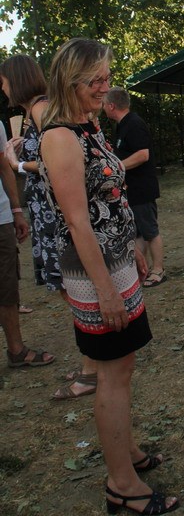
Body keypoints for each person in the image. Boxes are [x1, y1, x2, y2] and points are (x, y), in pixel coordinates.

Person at [39, 38, 178, 515]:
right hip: (94, 272)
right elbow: (78, 223)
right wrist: (105, 290)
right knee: (112, 374)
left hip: (116, 261)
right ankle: (121, 484)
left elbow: (110, 198)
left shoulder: (89, 124)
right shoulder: (60, 136)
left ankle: (128, 453)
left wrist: (132, 248)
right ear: (69, 81)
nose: (104, 87)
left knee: (123, 366)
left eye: (107, 78)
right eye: (94, 80)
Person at [0, 54, 99, 399]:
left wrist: (16, 163)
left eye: (4, 82)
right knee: (71, 290)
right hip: (46, 214)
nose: (3, 88)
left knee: (75, 290)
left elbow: (56, 162)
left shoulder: (42, 109)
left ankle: (92, 370)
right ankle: (91, 363)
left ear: (17, 80)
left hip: (54, 215)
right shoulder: (35, 111)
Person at [0, 118, 55, 369]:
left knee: (6, 285)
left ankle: (16, 350)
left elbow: (4, 167)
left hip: (1, 219)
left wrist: (16, 211)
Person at [102, 88, 166, 288]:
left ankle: (158, 270)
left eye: (104, 104)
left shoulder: (134, 124)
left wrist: (117, 167)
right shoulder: (122, 125)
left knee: (149, 230)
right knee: (137, 232)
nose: (102, 108)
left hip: (141, 188)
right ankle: (140, 270)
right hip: (130, 189)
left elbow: (143, 154)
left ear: (112, 106)